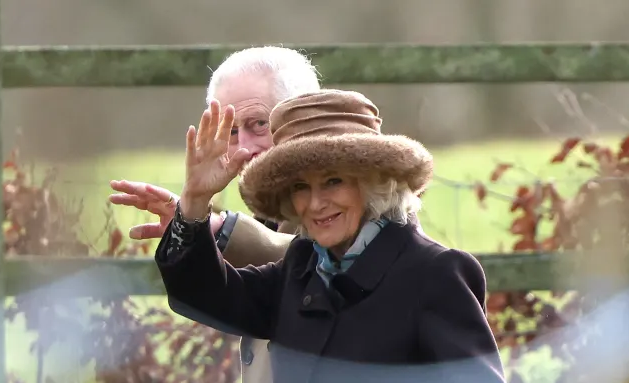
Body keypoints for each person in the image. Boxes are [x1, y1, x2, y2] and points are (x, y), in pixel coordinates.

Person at [156, 89, 505, 382]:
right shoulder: (300, 267)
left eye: (333, 181)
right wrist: (195, 204)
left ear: (374, 184)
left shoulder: (435, 273)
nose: (316, 203)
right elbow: (202, 295)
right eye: (300, 187)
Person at [108, 46, 319, 383]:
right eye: (231, 131)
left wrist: (219, 228)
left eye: (258, 124)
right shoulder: (275, 211)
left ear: (304, 118)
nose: (243, 149)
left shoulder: (367, 194)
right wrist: (192, 210)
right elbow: (203, 299)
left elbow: (320, 265)